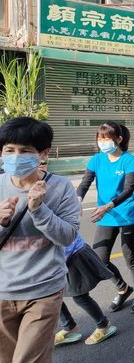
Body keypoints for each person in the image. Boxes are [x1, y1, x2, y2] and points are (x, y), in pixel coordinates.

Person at [0, 117, 80, 363]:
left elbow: (67, 236)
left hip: (43, 290)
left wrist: (39, 210)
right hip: (2, 290)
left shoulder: (60, 187)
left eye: (25, 151)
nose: (15, 156)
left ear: (43, 153)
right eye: (9, 150)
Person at [77, 121, 134, 313]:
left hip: (128, 214)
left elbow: (129, 188)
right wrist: (77, 199)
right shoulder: (97, 159)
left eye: (106, 138)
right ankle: (123, 289)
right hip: (106, 215)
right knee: (100, 259)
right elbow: (85, 183)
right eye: (100, 137)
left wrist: (108, 205)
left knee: (130, 256)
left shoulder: (129, 160)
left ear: (118, 139)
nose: (102, 141)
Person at [55, 234, 117, 346]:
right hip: (54, 260)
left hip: (70, 254)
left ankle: (104, 325)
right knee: (51, 295)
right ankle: (69, 326)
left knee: (80, 296)